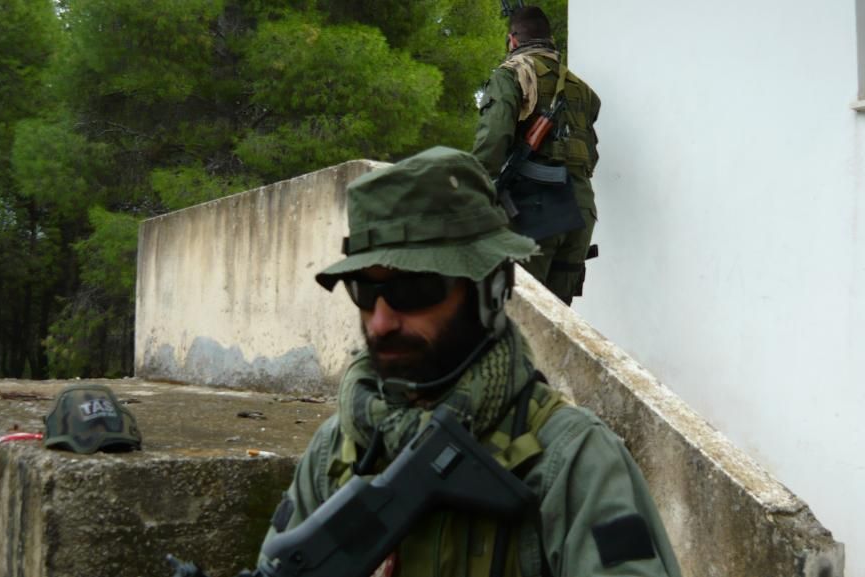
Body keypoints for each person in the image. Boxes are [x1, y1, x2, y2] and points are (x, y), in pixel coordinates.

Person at [259, 147, 680, 577]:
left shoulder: (570, 459)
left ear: (490, 289)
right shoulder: (335, 450)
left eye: (413, 289)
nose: (381, 322)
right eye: (365, 291)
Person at [472, 6, 601, 306]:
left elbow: (493, 140)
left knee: (519, 313)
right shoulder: (582, 90)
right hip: (582, 212)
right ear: (550, 40)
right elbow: (589, 155)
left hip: (536, 211)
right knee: (557, 318)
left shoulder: (512, 74)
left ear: (512, 41)